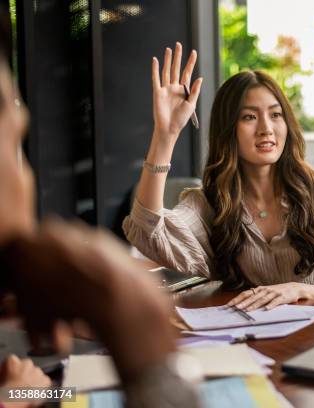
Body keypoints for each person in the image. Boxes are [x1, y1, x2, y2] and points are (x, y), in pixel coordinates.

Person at [0, 27, 201, 407]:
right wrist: (150, 364)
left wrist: (18, 393)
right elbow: (148, 229)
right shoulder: (206, 204)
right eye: (14, 144)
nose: (28, 176)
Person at [123, 43, 314, 310]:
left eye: (275, 114)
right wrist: (165, 135)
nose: (266, 128)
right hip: (248, 342)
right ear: (228, 130)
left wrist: (302, 290)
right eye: (249, 117)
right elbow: (148, 231)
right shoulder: (209, 204)